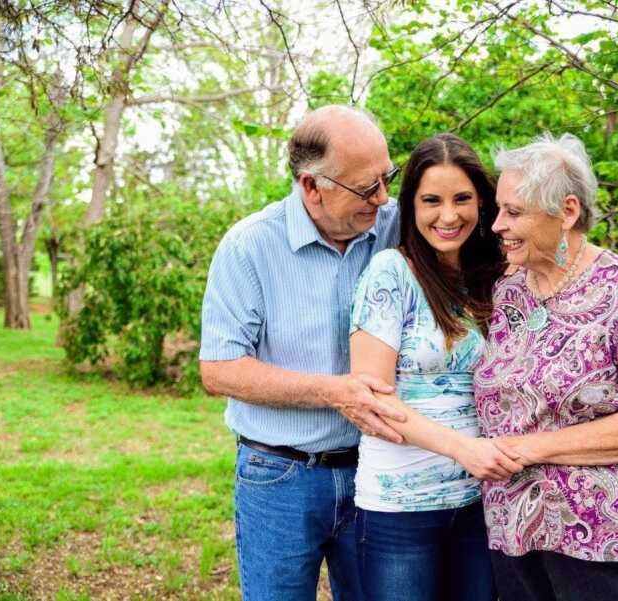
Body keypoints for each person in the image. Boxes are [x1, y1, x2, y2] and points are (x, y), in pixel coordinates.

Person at [199, 105, 406, 601]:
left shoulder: (397, 225)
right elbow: (220, 370)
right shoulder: (249, 246)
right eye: (365, 187)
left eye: (387, 178)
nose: (382, 197)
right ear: (312, 187)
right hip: (280, 475)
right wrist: (337, 393)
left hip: (378, 470)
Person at [474, 133, 618, 601]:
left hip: (606, 539)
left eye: (513, 212)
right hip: (513, 530)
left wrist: (532, 449)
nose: (496, 225)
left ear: (567, 212)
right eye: (498, 209)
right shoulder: (509, 291)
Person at [348, 133, 523, 601]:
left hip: (478, 504)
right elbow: (372, 401)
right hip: (399, 509)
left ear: (483, 204)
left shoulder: (494, 278)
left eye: (462, 199)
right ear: (411, 207)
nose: (449, 215)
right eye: (432, 201)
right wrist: (464, 450)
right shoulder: (391, 272)